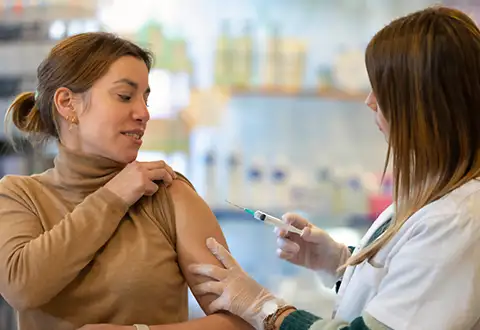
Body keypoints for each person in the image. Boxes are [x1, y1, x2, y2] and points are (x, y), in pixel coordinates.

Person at [190, 6, 480, 330]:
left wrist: (264, 306)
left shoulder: (457, 219)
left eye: (384, 89)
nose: (370, 101)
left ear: (424, 102)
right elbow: (405, 284)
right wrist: (340, 261)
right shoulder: (438, 198)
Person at [0, 32, 252, 330]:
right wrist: (111, 197)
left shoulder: (167, 194)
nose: (143, 113)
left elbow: (242, 319)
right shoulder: (19, 195)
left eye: (146, 98)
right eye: (124, 96)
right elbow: (22, 286)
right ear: (68, 104)